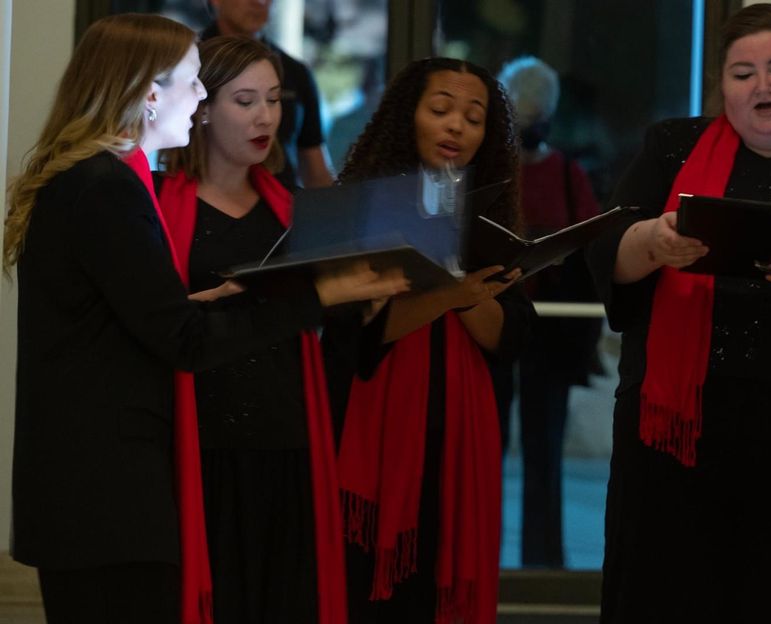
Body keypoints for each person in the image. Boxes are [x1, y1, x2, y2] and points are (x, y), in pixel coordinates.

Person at [3, 14, 407, 624]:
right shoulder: (108, 188)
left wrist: (189, 303)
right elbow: (184, 344)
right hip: (105, 495)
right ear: (147, 94)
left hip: (89, 491)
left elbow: (118, 321)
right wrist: (319, 296)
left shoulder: (93, 181)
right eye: (195, 84)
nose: (199, 103)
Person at [585, 4, 771, 621]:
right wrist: (654, 241)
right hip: (677, 431)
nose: (763, 86)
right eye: (742, 73)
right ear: (721, 87)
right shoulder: (672, 146)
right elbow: (604, 259)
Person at [327, 57, 534, 624]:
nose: (456, 127)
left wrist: (467, 291)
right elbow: (353, 342)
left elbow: (508, 339)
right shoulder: (359, 211)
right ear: (406, 118)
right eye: (440, 109)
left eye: (473, 117)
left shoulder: (492, 221)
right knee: (367, 591)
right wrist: (447, 292)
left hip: (459, 442)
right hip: (372, 442)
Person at [155, 35, 346, 623]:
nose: (266, 116)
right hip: (195, 436)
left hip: (286, 430)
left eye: (273, 99)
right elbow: (154, 317)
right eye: (245, 101)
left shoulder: (292, 206)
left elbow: (323, 310)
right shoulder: (158, 201)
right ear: (202, 107)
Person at [490, 55, 602, 569]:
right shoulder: (493, 174)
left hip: (551, 328)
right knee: (485, 451)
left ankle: (542, 566)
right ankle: (479, 558)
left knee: (544, 455)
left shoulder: (566, 173)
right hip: (494, 321)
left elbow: (590, 241)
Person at [204, 0, 335, 189]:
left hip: (282, 200)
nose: (260, 3)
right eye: (245, 101)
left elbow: (316, 169)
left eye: (273, 99)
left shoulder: (295, 72)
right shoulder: (191, 65)